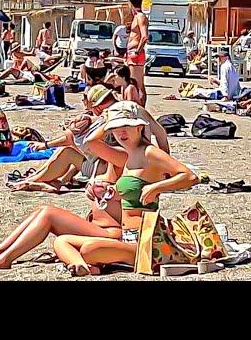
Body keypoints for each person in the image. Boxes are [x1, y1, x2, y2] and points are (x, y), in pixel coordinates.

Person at [53, 102, 198, 276]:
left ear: (138, 127)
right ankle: (83, 266)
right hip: (126, 236)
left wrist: (157, 187)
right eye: (116, 128)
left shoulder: (149, 152)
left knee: (90, 249)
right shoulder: (129, 155)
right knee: (61, 242)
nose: (121, 133)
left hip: (144, 238)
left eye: (126, 127)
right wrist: (106, 120)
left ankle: (91, 262)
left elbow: (190, 176)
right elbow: (92, 142)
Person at [17, 86, 169, 193]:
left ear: (96, 107)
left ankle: (35, 180)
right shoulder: (135, 108)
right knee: (72, 150)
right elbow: (161, 133)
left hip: (119, 169)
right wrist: (164, 167)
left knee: (67, 152)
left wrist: (72, 133)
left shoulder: (109, 117)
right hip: (142, 165)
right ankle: (44, 179)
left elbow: (88, 145)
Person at [125, 0, 149, 106]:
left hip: (136, 54)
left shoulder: (140, 16)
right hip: (132, 53)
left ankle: (141, 108)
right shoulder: (136, 17)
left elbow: (144, 36)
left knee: (137, 84)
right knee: (134, 83)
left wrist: (137, 50)